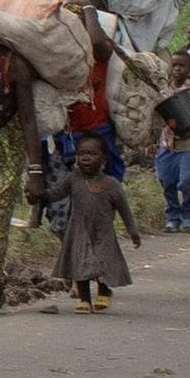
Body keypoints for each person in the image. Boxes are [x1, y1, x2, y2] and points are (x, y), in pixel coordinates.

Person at [57, 130, 137, 311]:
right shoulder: (73, 179)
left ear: (104, 159)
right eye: (81, 154)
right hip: (78, 231)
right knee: (80, 264)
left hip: (103, 233)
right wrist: (40, 195)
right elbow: (57, 194)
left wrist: (133, 231)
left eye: (92, 154)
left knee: (102, 263)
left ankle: (104, 292)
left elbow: (125, 209)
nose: (85, 158)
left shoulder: (111, 184)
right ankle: (84, 300)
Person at [147, 63, 190, 232]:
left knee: (186, 180)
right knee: (166, 179)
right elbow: (155, 118)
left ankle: (187, 216)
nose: (178, 68)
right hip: (167, 141)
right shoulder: (162, 91)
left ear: (188, 69)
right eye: (175, 65)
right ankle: (172, 216)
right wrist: (151, 141)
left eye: (182, 65)